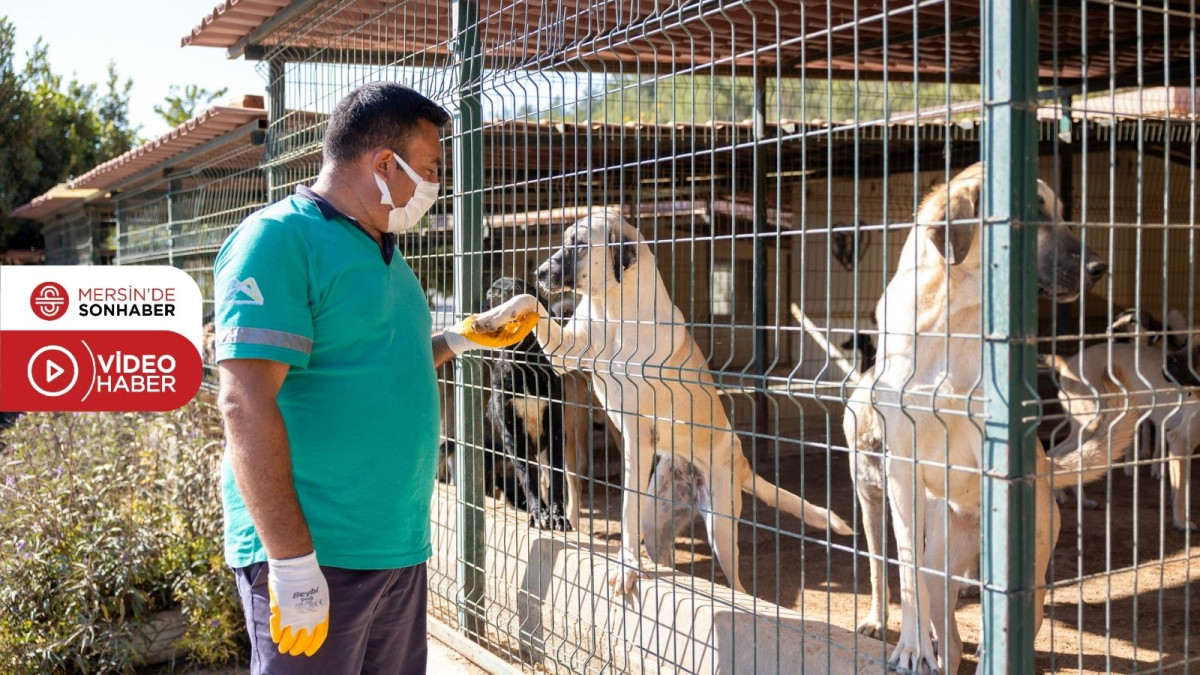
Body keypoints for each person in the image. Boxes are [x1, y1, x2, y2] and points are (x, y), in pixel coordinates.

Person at [213, 82, 532, 674]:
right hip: (319, 552)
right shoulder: (279, 240)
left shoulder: (385, 251)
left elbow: (376, 363)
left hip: (395, 548)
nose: (438, 186)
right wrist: (291, 560)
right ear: (385, 164)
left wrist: (461, 338)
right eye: (432, 168)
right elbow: (243, 402)